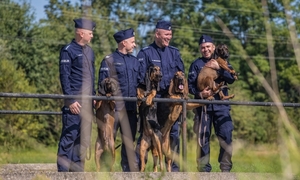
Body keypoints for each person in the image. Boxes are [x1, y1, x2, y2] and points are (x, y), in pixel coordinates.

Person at [135, 20, 184, 172]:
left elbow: (181, 75)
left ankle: (173, 171)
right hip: (152, 102)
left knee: (173, 134)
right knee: (145, 135)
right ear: (157, 34)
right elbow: (140, 77)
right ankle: (138, 169)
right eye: (166, 34)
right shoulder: (146, 52)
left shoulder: (174, 53)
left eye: (170, 34)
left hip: (169, 102)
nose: (169, 37)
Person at [188, 35, 236, 172]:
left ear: (213, 47)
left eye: (208, 46)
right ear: (200, 49)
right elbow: (190, 86)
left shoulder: (222, 61)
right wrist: (200, 94)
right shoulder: (196, 65)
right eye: (203, 48)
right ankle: (204, 171)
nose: (206, 49)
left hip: (221, 107)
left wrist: (219, 69)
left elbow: (232, 78)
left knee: (226, 136)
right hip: (203, 107)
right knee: (203, 140)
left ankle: (225, 169)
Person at [98, 28, 139, 172]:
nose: (134, 45)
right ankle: (104, 172)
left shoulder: (135, 61)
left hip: (131, 109)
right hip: (113, 110)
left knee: (129, 143)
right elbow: (102, 84)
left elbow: (140, 84)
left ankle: (127, 173)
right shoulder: (109, 60)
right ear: (123, 42)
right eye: (132, 42)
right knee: (108, 142)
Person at [57, 18, 96, 172]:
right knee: (68, 140)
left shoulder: (90, 51)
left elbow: (91, 78)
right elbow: (64, 77)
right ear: (81, 33)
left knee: (82, 143)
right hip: (74, 104)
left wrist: (93, 97)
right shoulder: (68, 50)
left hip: (87, 104)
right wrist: (70, 100)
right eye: (90, 33)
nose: (92, 36)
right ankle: (63, 175)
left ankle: (77, 174)